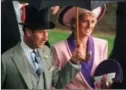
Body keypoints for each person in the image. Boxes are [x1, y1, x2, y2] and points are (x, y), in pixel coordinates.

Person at [1, 6, 83, 89]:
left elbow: (58, 82)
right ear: (28, 31)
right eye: (41, 32)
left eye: (47, 32)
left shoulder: (46, 51)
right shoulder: (5, 60)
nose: (46, 38)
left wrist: (74, 61)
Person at [51, 5, 108, 89]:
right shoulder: (58, 49)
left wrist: (106, 81)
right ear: (74, 23)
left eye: (93, 22)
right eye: (85, 21)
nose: (89, 26)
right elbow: (54, 84)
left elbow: (104, 75)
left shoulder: (102, 45)